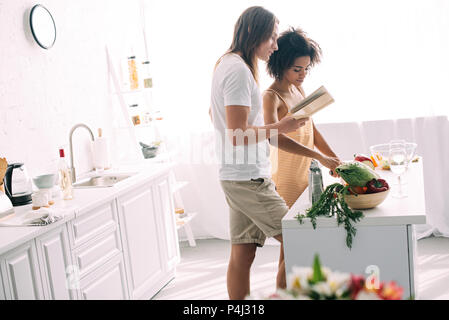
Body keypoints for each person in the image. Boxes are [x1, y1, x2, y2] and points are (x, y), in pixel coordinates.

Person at [209, 7, 308, 300]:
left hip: (236, 175)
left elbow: (215, 116)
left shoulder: (226, 64)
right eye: (272, 37)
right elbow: (237, 135)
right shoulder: (239, 71)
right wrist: (281, 125)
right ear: (255, 34)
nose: (275, 45)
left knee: (243, 254)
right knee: (299, 238)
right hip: (248, 179)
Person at [263, 27, 341, 208]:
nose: (303, 74)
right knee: (293, 229)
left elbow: (311, 130)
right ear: (281, 65)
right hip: (287, 176)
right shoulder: (271, 96)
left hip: (308, 172)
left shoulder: (298, 89)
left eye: (306, 68)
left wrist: (334, 159)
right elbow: (273, 138)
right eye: (297, 69)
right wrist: (320, 157)